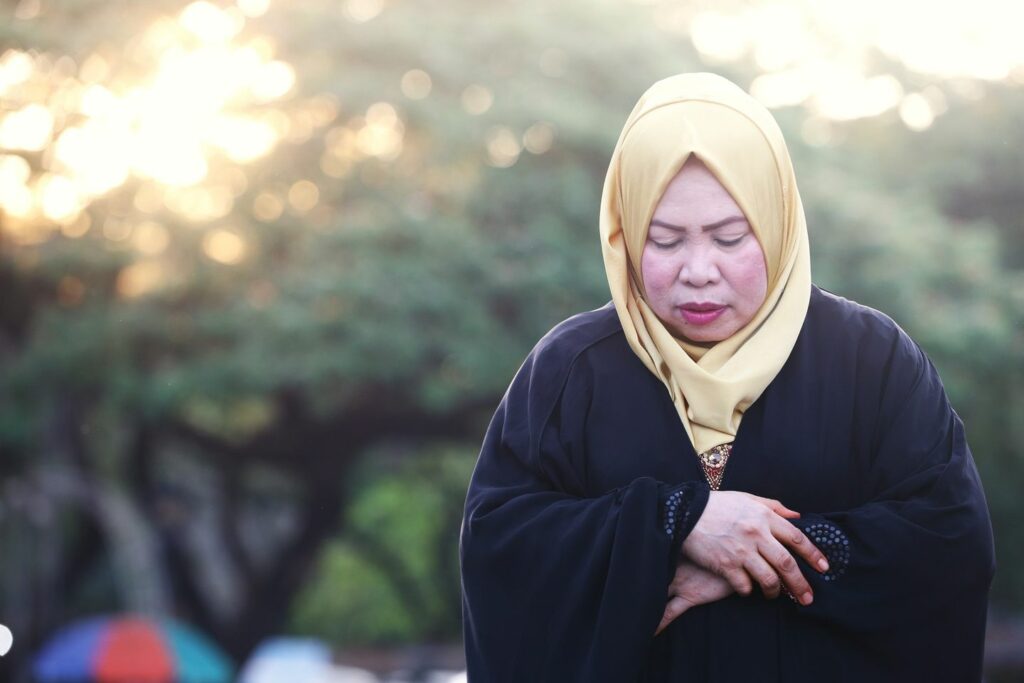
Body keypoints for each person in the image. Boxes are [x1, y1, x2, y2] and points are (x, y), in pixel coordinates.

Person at [458, 73, 995, 682]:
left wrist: (765, 556)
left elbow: (948, 540)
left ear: (776, 222)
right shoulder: (569, 371)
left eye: (730, 237)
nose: (698, 270)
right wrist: (675, 523)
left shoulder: (871, 360)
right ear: (624, 237)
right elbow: (502, 545)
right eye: (664, 241)